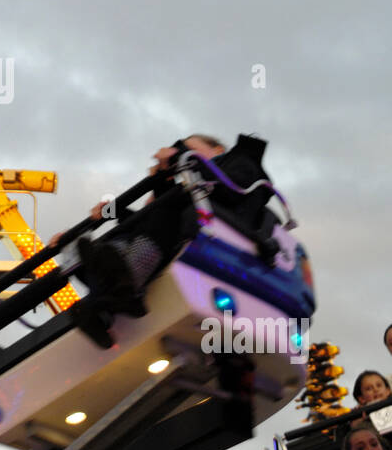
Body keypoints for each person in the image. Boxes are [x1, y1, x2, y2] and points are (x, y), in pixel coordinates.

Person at [70, 132, 277, 317]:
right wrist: (115, 209)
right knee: (157, 214)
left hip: (217, 232)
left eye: (191, 149)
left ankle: (118, 279)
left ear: (218, 150)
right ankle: (100, 289)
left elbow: (227, 191)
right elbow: (156, 214)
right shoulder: (195, 185)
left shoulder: (243, 162)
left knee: (162, 213)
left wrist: (178, 157)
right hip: (179, 229)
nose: (185, 154)